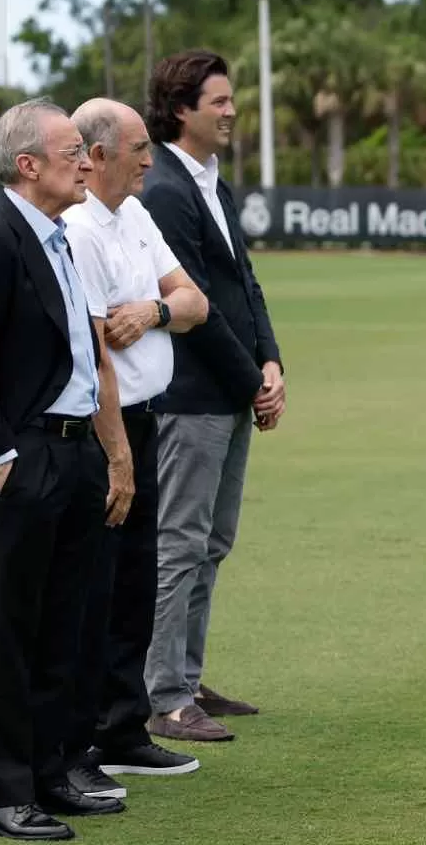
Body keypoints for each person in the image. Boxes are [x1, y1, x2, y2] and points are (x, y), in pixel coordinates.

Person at [0, 98, 134, 840]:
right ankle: (2, 790)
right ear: (28, 165)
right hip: (27, 457)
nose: (85, 162)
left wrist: (105, 451)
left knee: (60, 627)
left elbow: (82, 351)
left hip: (74, 452)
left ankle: (49, 772)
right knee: (8, 631)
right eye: (72, 151)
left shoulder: (56, 237)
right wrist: (0, 458)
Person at [62, 98, 210, 799]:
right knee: (91, 590)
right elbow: (96, 355)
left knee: (133, 586)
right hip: (106, 431)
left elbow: (193, 303)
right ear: (97, 156)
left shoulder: (136, 215)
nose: (151, 160)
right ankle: (80, 739)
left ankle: (123, 728)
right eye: (139, 148)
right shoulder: (80, 229)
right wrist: (116, 455)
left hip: (147, 420)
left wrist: (154, 310)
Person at [139, 51, 285, 743]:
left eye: (230, 99)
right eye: (218, 101)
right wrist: (253, 381)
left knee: (212, 541)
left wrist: (272, 359)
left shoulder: (210, 180)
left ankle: (187, 680)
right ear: (181, 110)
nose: (231, 111)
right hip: (191, 396)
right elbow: (193, 306)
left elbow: (244, 283)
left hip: (229, 392)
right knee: (180, 545)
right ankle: (164, 697)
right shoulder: (166, 189)